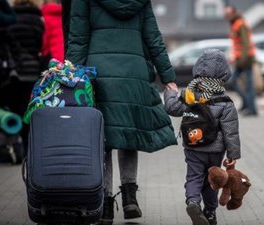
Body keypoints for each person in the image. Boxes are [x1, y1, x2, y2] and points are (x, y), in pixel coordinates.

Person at [63, 1, 178, 224]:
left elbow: (78, 39)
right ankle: (130, 198)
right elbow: (153, 37)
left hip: (99, 74)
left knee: (102, 139)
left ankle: (105, 203)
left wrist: (70, 77)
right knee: (128, 135)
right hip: (133, 75)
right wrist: (168, 77)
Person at [164, 49, 241, 225]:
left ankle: (192, 202)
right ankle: (210, 212)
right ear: (224, 73)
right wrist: (232, 156)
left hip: (193, 147)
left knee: (193, 177)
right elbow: (231, 131)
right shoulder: (225, 101)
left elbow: (172, 108)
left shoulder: (189, 95)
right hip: (215, 150)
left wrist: (170, 91)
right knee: (213, 180)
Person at [0, 0, 43, 150]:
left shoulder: (9, 19)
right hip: (32, 70)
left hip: (13, 72)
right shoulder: (37, 19)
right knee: (29, 108)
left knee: (13, 108)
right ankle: (29, 144)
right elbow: (40, 44)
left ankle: (16, 144)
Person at [225, 5, 257, 116]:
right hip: (241, 58)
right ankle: (247, 104)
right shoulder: (235, 24)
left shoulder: (240, 24)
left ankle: (251, 108)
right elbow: (236, 44)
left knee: (248, 85)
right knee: (236, 82)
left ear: (234, 13)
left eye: (229, 14)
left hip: (246, 58)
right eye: (226, 14)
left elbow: (246, 44)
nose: (227, 16)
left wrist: (242, 59)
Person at [41, 0, 64, 67]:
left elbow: (44, 43)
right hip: (67, 57)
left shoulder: (44, 17)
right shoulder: (64, 15)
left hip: (52, 59)